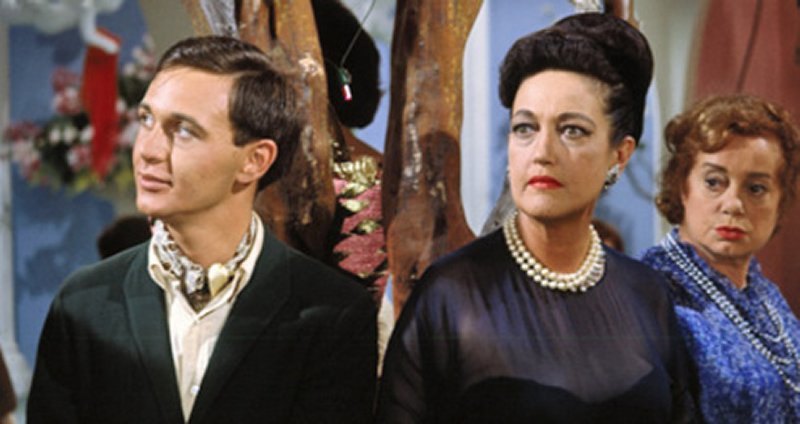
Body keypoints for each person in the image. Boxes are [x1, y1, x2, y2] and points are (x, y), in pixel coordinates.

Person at [27, 35, 377, 423]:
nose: (148, 151)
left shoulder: (331, 313)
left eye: (183, 130)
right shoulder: (83, 304)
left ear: (254, 160)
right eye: (146, 120)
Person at [377, 12, 694, 423]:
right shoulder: (451, 295)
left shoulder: (647, 294)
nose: (542, 152)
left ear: (620, 154)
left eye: (572, 130)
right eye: (525, 128)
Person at [641, 94, 800, 422]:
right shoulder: (648, 290)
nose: (733, 204)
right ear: (682, 187)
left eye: (756, 188)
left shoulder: (765, 294)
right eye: (714, 182)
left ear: (780, 201)